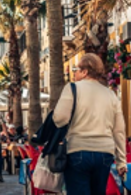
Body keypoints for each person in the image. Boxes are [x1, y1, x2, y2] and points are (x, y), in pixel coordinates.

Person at [53, 53, 127, 195]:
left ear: (85, 72)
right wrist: (121, 161)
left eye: (76, 70)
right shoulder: (110, 94)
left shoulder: (72, 89)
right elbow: (119, 130)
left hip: (78, 150)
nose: (74, 74)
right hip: (105, 153)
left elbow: (59, 119)